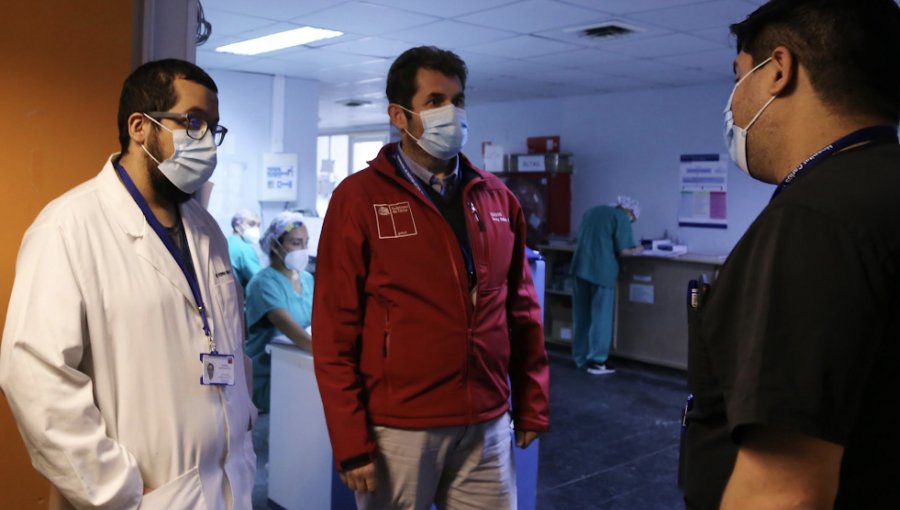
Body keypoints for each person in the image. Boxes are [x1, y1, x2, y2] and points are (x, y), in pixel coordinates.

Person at [0, 59, 256, 509]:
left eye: (214, 128)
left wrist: (246, 426)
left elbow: (229, 344)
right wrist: (118, 489)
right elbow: (34, 378)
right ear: (141, 127)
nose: (208, 143)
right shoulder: (68, 227)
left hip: (228, 485)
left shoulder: (208, 231)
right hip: (144, 496)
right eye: (193, 122)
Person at [681, 1, 900, 508]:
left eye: (738, 78)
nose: (733, 102)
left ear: (778, 70)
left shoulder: (815, 219)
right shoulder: (881, 190)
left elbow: (783, 491)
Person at [312, 46, 550, 509]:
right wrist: (350, 439)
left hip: (487, 421)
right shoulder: (359, 200)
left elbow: (521, 312)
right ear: (400, 116)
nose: (452, 113)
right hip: (399, 427)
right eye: (436, 100)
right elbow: (333, 331)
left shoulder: (497, 199)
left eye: (458, 101)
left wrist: (531, 402)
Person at [244, 211, 314, 413]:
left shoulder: (307, 279)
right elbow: (290, 328)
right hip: (269, 377)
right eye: (296, 243)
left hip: (301, 366)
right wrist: (330, 356)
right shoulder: (263, 283)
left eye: (305, 243)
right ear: (275, 245)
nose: (303, 250)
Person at [569, 196, 642, 375]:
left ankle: (580, 358)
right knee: (601, 318)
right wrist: (639, 249)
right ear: (631, 212)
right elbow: (624, 251)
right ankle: (597, 362)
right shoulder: (622, 218)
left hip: (579, 269)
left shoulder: (592, 211)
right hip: (602, 272)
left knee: (581, 317)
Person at [227, 208, 262, 293]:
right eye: (251, 224)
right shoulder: (244, 249)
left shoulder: (226, 242)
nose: (256, 229)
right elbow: (261, 280)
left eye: (258, 225)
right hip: (238, 302)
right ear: (237, 227)